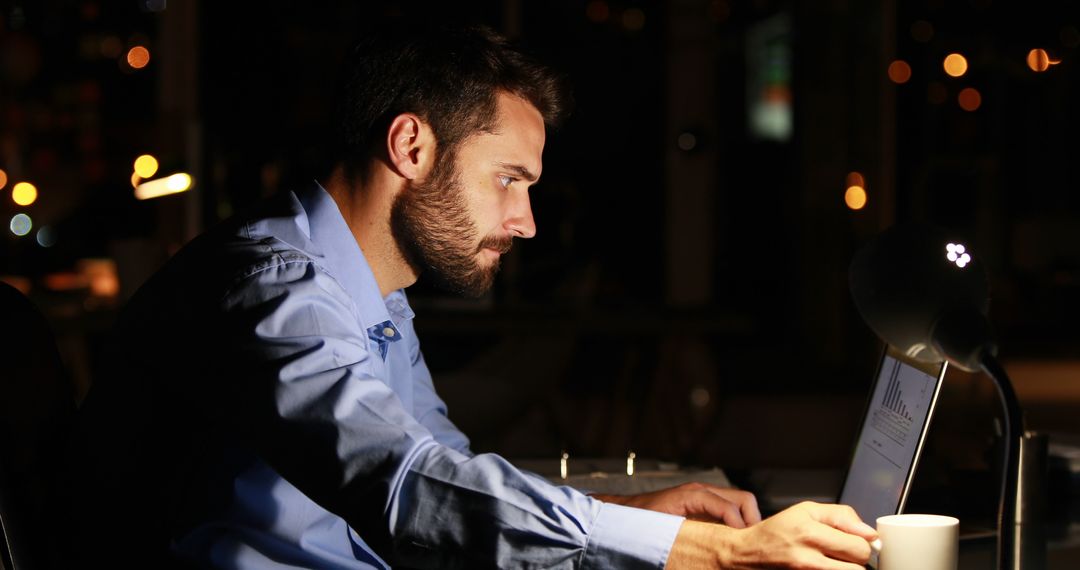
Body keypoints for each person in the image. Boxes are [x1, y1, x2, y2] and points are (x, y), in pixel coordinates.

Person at [65, 22, 878, 569]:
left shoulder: (371, 293)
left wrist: (642, 509)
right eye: (509, 180)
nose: (525, 221)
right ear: (412, 145)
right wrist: (714, 553)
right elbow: (409, 488)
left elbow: (448, 476)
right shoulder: (274, 290)